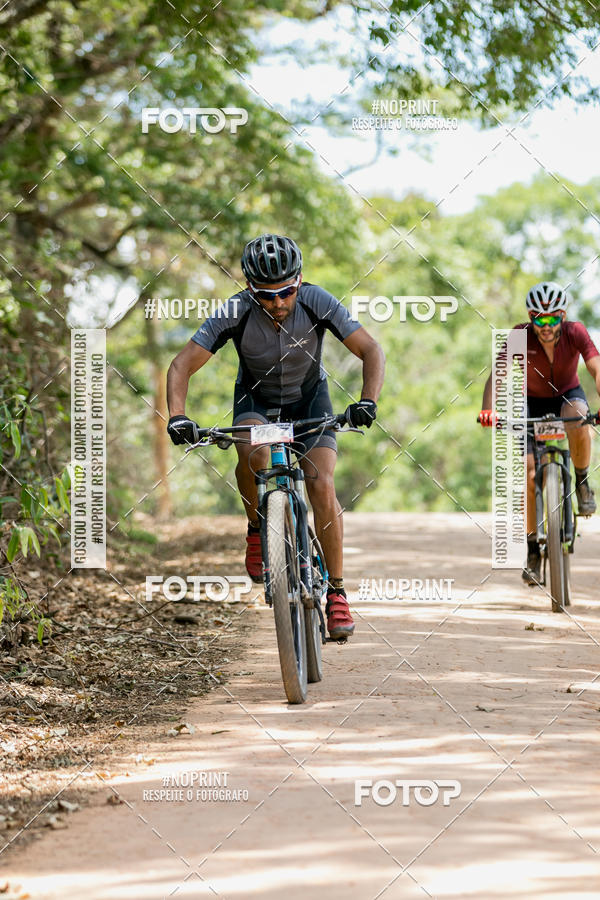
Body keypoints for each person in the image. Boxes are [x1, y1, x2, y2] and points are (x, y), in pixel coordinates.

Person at [166, 233, 385, 639]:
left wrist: (367, 400)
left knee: (321, 483)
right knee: (253, 452)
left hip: (309, 399)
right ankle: (256, 527)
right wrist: (178, 416)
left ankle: (337, 592)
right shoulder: (234, 311)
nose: (279, 302)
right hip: (256, 400)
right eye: (266, 296)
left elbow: (371, 349)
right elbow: (181, 365)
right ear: (250, 288)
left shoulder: (316, 300)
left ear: (299, 282)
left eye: (286, 292)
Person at [479, 281, 600, 585]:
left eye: (552, 318)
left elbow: (596, 368)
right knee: (530, 472)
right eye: (539, 319)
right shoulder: (520, 335)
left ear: (562, 316)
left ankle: (582, 482)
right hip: (530, 401)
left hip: (567, 395)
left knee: (580, 418)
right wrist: (488, 409)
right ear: (530, 317)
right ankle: (533, 549)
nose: (546, 326)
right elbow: (498, 373)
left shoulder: (576, 332)